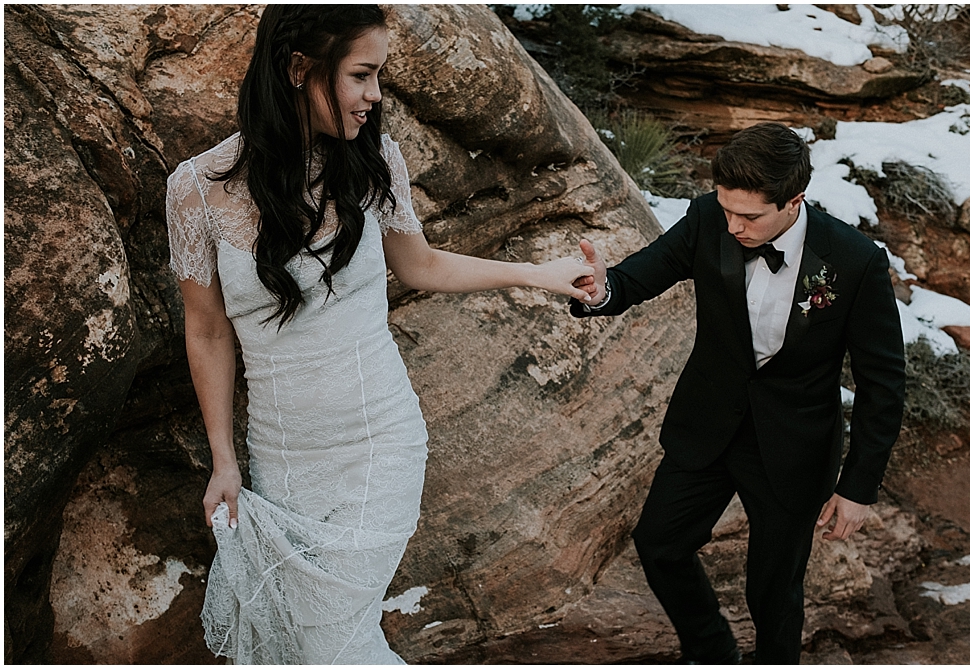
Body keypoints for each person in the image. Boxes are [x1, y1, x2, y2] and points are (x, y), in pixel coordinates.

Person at [165, 5, 595, 664]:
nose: (375, 96)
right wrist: (225, 460)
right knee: (313, 645)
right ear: (298, 68)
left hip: (379, 447)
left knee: (330, 645)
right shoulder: (195, 190)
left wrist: (541, 273)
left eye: (379, 76)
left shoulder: (375, 160)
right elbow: (208, 331)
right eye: (362, 75)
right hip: (282, 465)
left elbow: (421, 265)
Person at [569, 122, 905, 664]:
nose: (733, 225)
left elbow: (883, 382)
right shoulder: (708, 218)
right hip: (707, 423)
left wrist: (859, 485)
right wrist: (601, 288)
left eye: (749, 216)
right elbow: (638, 279)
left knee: (773, 590)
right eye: (727, 209)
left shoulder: (854, 260)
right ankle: (710, 649)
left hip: (793, 445)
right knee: (660, 545)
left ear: (794, 200)